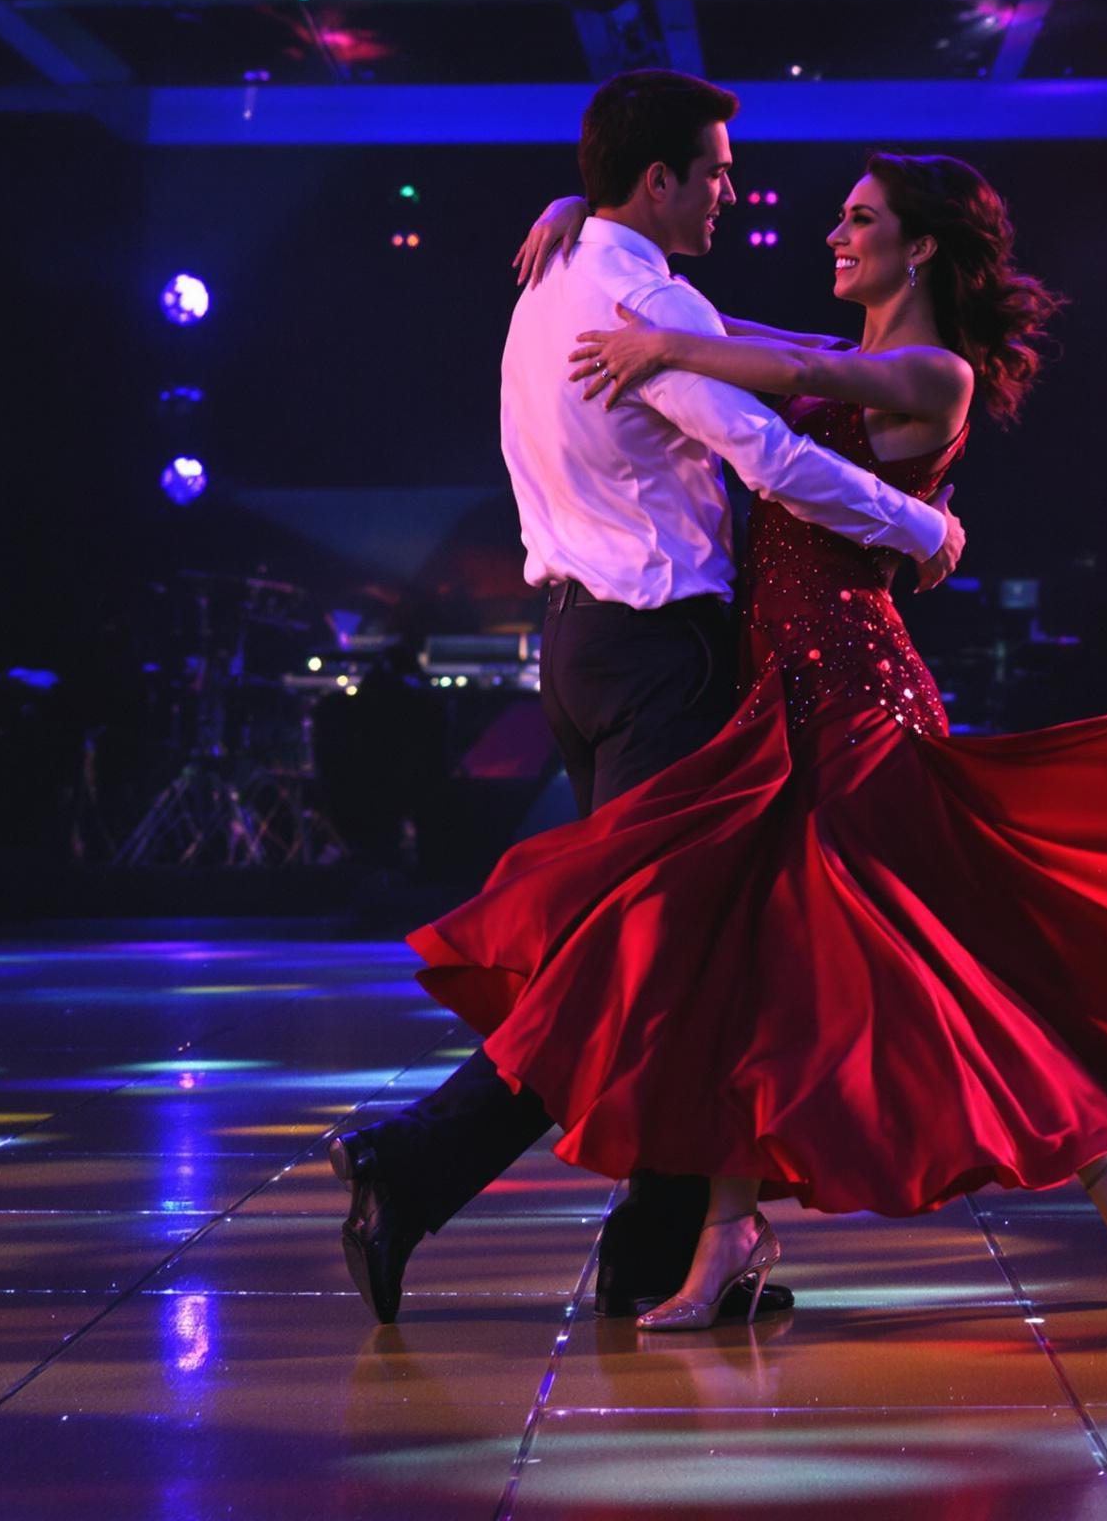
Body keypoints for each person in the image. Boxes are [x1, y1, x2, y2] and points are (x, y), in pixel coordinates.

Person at [401, 150, 1107, 1331]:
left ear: (923, 248)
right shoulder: (859, 353)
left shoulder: (933, 372)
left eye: (860, 221)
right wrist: (589, 233)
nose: (834, 236)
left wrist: (665, 344)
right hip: (775, 687)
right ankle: (734, 1235)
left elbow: (784, 362)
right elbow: (749, 331)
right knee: (762, 951)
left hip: (854, 691)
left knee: (935, 953)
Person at [323, 71, 967, 1330]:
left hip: (576, 646)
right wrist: (920, 525)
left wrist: (581, 207)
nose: (735, 190)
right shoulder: (637, 293)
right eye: (717, 170)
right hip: (662, 654)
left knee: (686, 959)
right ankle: (420, 1163)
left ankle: (651, 1251)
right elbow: (769, 455)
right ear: (660, 180)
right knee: (642, 959)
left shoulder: (553, 276)